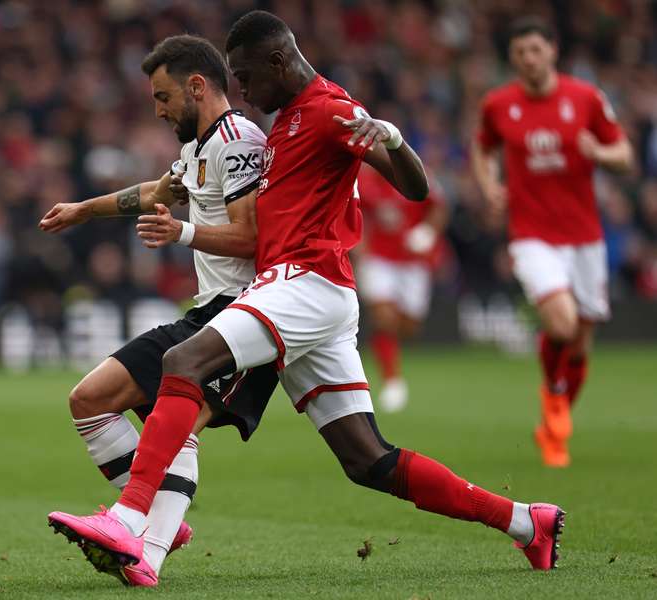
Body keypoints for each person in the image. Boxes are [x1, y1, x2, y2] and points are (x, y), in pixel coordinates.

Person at [49, 10, 565, 578]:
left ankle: (130, 519)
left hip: (306, 280)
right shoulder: (283, 124)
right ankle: (526, 522)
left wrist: (393, 138)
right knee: (368, 460)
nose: (240, 89)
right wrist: (85, 210)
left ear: (277, 61)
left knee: (184, 361)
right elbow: (171, 187)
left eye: (244, 76)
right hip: (312, 297)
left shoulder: (328, 110)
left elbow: (415, 188)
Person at [39, 34, 277, 587]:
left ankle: (148, 550)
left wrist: (184, 232)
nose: (158, 108)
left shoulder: (239, 139)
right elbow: (155, 193)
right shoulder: (199, 147)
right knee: (90, 401)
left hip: (246, 318)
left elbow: (255, 237)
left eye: (163, 96)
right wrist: (83, 211)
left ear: (197, 86)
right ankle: (160, 519)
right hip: (205, 314)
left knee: (178, 424)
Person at [471, 18, 633, 467]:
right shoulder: (499, 104)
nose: (528, 59)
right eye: (520, 52)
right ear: (513, 59)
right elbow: (482, 149)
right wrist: (488, 186)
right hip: (532, 235)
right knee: (560, 325)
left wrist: (598, 153)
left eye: (535, 50)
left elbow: (623, 154)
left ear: (553, 51)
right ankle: (554, 396)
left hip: (585, 238)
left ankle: (552, 425)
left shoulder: (585, 98)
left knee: (580, 343)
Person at [356, 166, 448, 411]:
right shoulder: (364, 182)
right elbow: (354, 212)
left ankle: (390, 356)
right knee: (384, 318)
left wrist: (428, 232)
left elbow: (439, 206)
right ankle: (392, 381)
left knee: (409, 326)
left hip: (413, 262)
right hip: (379, 259)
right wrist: (359, 248)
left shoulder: (417, 174)